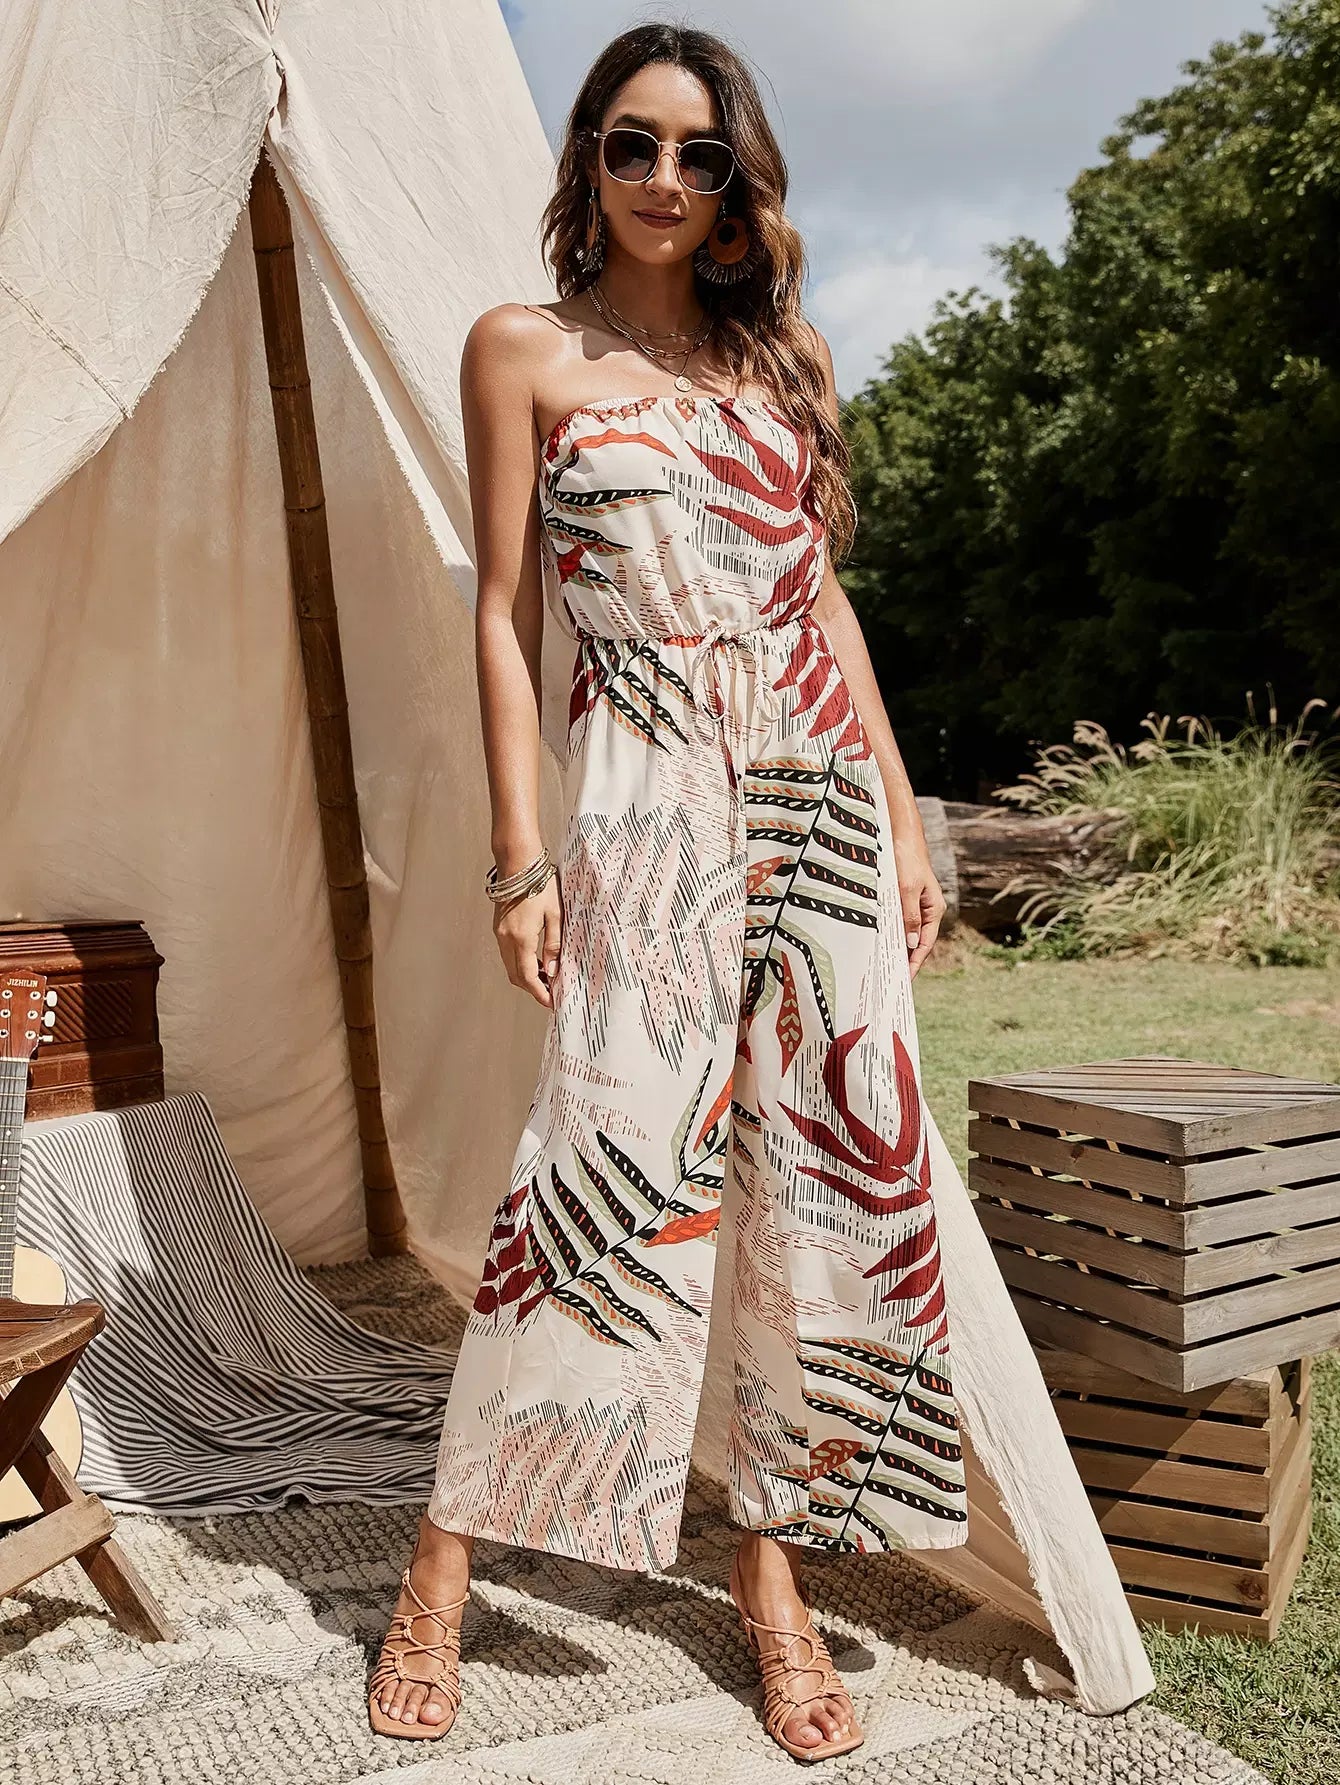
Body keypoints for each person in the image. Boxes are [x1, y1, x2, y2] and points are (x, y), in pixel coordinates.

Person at [369, 19, 1039, 1761]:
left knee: (822, 1184)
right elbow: (505, 617)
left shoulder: (780, 360)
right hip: (646, 803)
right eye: (632, 143)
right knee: (594, 1180)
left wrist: (906, 817)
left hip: (819, 799)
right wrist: (521, 855)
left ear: (737, 182)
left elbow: (822, 603)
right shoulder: (524, 349)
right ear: (586, 159)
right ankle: (444, 1564)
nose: (664, 178)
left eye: (699, 152)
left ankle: (773, 1577)